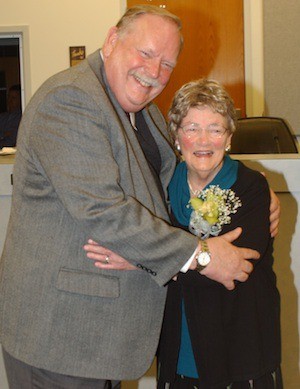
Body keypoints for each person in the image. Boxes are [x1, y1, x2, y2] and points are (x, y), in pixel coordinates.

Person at [0, 5, 278, 389]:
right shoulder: (70, 101)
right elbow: (104, 212)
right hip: (62, 335)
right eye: (146, 53)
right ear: (112, 41)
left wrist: (246, 183)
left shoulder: (139, 109)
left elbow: (170, 178)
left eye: (167, 63)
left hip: (104, 336)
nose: (154, 72)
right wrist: (202, 256)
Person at [86, 79, 282, 389]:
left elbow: (236, 268)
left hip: (238, 350)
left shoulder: (252, 188)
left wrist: (142, 261)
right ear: (176, 136)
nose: (204, 141)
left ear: (229, 138)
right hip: (178, 348)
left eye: (215, 129)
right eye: (192, 128)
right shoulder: (159, 187)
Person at [0, 84, 22, 148]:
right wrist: (5, 134)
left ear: (20, 99)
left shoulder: (22, 117)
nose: (10, 100)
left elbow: (13, 139)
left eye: (13, 98)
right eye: (9, 97)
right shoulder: (2, 117)